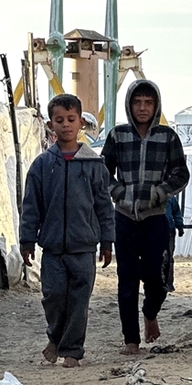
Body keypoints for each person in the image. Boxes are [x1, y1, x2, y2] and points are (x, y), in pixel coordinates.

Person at [20, 94, 114, 368]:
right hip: (51, 248)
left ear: (81, 122)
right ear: (51, 124)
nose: (66, 125)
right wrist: (27, 240)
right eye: (59, 120)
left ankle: (71, 350)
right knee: (53, 296)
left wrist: (107, 240)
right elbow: (31, 206)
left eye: (71, 119)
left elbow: (103, 206)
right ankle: (55, 337)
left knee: (79, 300)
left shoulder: (94, 165)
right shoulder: (41, 165)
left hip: (84, 247)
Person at [101, 80, 189, 354]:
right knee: (126, 278)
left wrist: (160, 192)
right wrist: (117, 192)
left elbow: (181, 174)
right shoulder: (117, 135)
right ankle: (131, 340)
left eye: (148, 103)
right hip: (124, 217)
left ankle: (150, 313)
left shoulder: (168, 137)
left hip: (155, 216)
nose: (142, 107)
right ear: (129, 104)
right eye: (137, 102)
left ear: (156, 106)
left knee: (157, 276)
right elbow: (103, 171)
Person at [162, 194, 185, 293]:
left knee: (168, 257)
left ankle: (168, 283)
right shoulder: (170, 197)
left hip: (168, 230)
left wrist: (180, 226)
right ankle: (165, 283)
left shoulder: (170, 197)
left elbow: (176, 212)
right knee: (166, 258)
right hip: (161, 229)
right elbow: (177, 213)